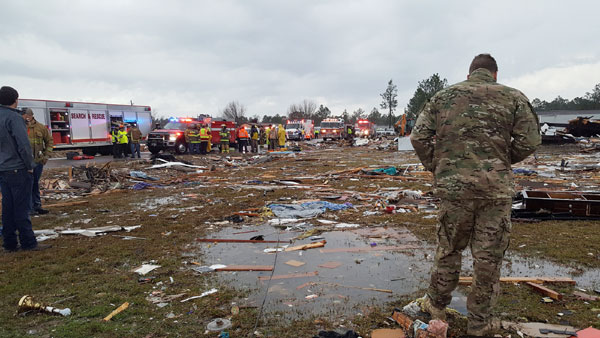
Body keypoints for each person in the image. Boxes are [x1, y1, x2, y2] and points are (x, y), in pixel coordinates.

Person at [410, 54, 541, 336]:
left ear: (469, 74)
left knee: (448, 249)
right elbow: (531, 140)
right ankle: (479, 323)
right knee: (488, 258)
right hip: (494, 191)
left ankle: (436, 306)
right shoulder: (513, 97)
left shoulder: (443, 97)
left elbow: (418, 137)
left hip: (454, 190)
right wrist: (501, 160)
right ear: (495, 74)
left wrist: (438, 165)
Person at [0, 86, 48, 251]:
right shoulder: (14, 118)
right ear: (15, 100)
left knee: (7, 207)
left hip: (3, 169)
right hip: (18, 169)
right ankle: (28, 242)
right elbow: (23, 145)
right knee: (21, 207)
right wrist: (30, 166)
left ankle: (10, 243)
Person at [23, 108, 53, 215]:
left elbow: (49, 141)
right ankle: (29, 207)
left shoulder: (41, 127)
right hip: (25, 163)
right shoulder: (20, 127)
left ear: (31, 115)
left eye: (27, 115)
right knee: (27, 184)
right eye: (24, 115)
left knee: (35, 183)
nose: (25, 117)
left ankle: (37, 205)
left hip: (38, 161)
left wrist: (46, 156)